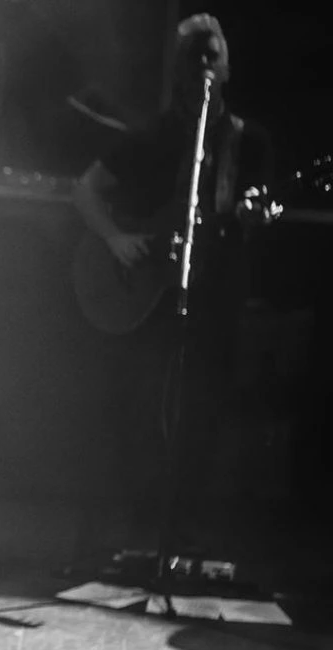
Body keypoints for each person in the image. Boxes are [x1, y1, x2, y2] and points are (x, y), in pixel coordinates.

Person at [71, 14, 275, 557]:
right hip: (153, 298)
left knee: (203, 415)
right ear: (178, 70)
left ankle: (185, 530)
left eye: (213, 56)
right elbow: (85, 191)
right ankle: (135, 526)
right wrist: (116, 239)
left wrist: (253, 215)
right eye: (193, 57)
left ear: (226, 68)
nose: (204, 66)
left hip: (215, 295)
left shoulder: (248, 141)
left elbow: (251, 212)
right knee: (140, 411)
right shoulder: (154, 136)